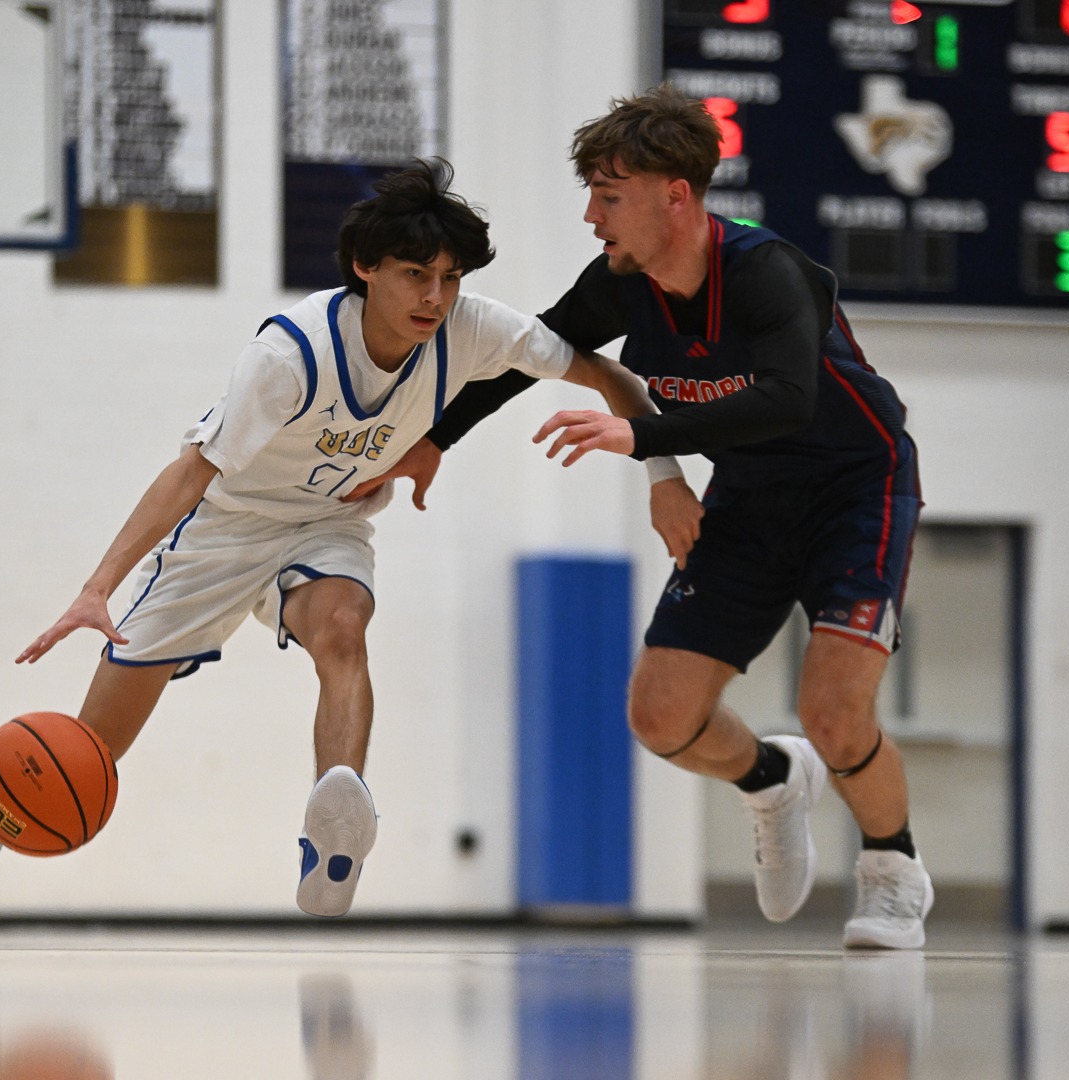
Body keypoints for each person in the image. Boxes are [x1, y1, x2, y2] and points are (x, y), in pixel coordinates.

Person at [0, 159, 660, 918]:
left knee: (345, 627)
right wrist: (95, 590)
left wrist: (663, 470)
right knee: (91, 752)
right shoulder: (291, 355)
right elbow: (188, 475)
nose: (435, 297)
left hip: (328, 524)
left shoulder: (472, 329)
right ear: (365, 268)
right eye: (416, 274)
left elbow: (608, 376)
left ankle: (335, 828)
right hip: (225, 528)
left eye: (449, 278)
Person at [361, 87, 932, 948]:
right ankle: (773, 780)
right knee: (662, 718)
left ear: (677, 195)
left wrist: (643, 440)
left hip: (856, 489)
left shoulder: (769, 274)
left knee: (837, 715)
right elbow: (534, 353)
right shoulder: (621, 285)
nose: (592, 215)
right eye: (592, 193)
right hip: (748, 498)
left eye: (610, 194)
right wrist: (435, 438)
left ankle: (894, 871)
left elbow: (785, 400)